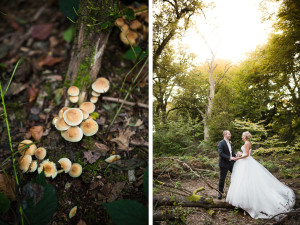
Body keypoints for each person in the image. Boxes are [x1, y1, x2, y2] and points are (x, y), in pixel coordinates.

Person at [226, 131, 295, 219]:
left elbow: (247, 155)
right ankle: (245, 202)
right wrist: (240, 154)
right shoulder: (247, 143)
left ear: (245, 137)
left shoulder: (247, 143)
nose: (241, 137)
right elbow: (247, 153)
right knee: (244, 181)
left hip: (246, 163)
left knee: (246, 180)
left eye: (242, 136)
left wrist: (237, 157)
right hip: (245, 162)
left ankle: (249, 203)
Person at [217, 130, 236, 200]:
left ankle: (235, 192)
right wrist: (229, 158)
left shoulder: (230, 143)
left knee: (236, 176)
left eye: (230, 134)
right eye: (229, 134)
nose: (230, 135)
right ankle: (220, 192)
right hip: (224, 164)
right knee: (222, 178)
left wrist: (236, 156)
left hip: (231, 163)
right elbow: (221, 153)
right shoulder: (221, 143)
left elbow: (231, 153)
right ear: (225, 135)